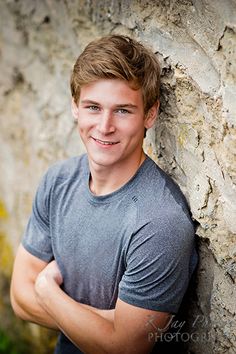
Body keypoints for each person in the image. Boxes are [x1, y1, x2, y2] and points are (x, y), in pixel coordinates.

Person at [10, 34, 198, 354]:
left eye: (123, 111)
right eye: (93, 107)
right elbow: (19, 299)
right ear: (75, 108)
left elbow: (125, 348)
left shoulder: (160, 221)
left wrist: (47, 290)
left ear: (150, 114)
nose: (105, 126)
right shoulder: (58, 182)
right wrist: (106, 324)